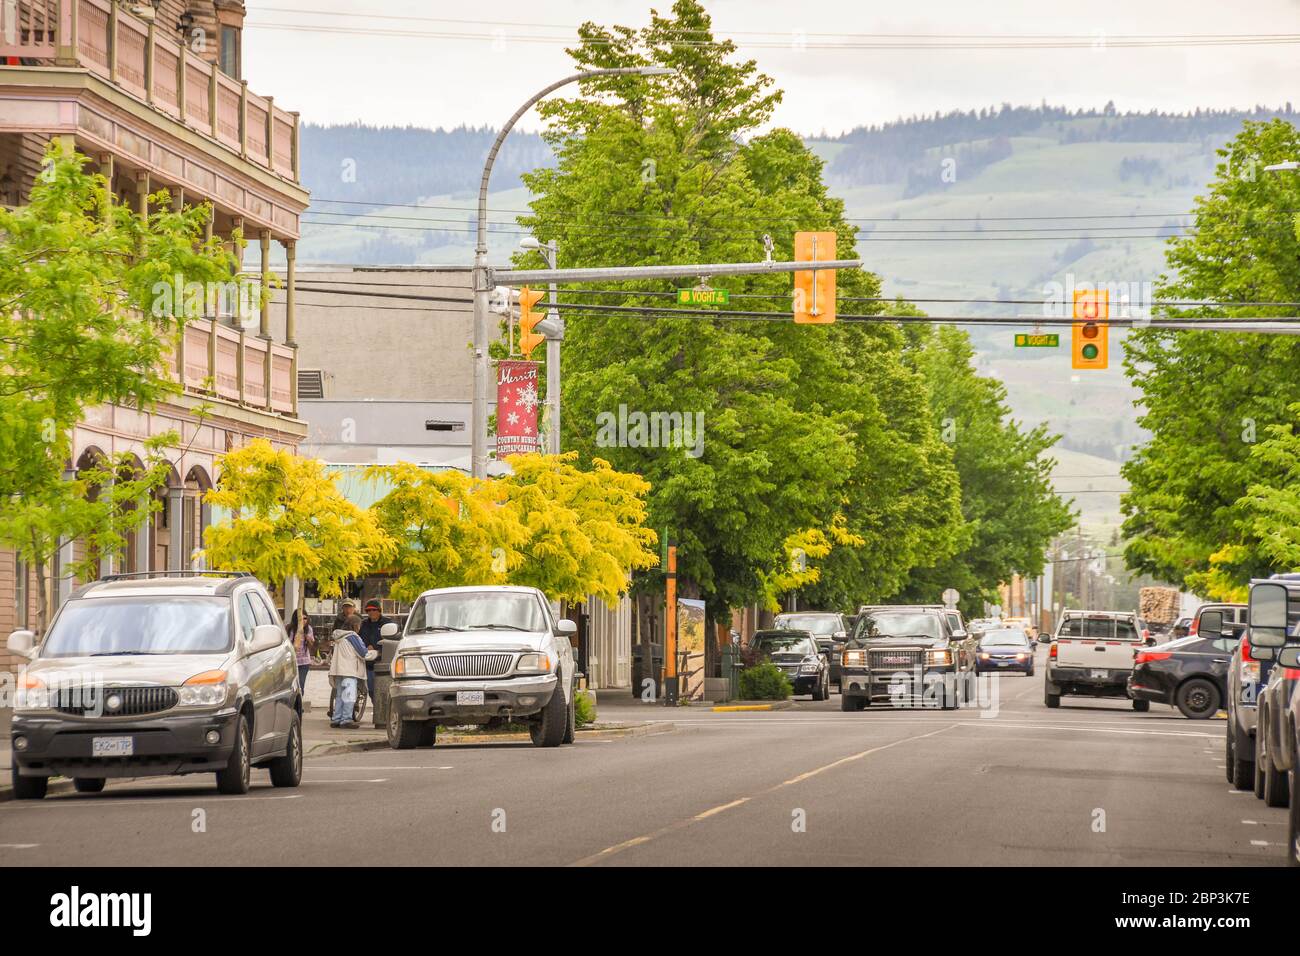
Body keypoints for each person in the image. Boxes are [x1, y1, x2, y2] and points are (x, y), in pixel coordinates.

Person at [328, 615, 369, 729]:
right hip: (349, 670)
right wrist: (374, 653)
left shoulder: (338, 637)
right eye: (359, 625)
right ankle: (346, 719)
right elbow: (363, 653)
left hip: (338, 670)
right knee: (349, 695)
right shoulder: (352, 637)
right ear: (355, 625)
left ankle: (337, 719)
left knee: (340, 695)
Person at [358, 600, 392, 702]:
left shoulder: (388, 623)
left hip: (383, 660)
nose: (371, 612)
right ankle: (376, 707)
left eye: (374, 610)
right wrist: (366, 646)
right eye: (368, 610)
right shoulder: (364, 623)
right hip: (369, 661)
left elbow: (392, 640)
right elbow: (360, 638)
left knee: (385, 689)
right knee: (372, 689)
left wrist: (378, 649)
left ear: (379, 610)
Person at [288, 609, 315, 696]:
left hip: (304, 663)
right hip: (291, 662)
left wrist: (305, 635)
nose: (303, 621)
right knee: (291, 686)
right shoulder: (290, 628)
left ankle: (299, 706)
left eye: (305, 618)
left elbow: (311, 645)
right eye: (300, 618)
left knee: (301, 684)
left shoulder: (309, 629)